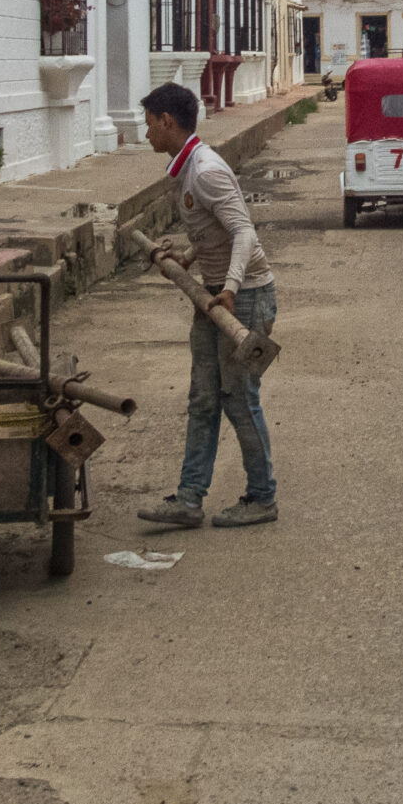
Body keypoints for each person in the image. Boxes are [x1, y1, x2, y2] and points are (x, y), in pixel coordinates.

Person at [136, 81, 278, 529]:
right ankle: (189, 498)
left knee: (238, 400)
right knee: (202, 399)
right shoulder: (187, 169)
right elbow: (212, 230)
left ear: (166, 121)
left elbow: (243, 232)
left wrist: (232, 288)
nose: (146, 135)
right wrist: (189, 257)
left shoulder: (206, 171)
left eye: (148, 125)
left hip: (243, 297)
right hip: (213, 296)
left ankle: (262, 498)